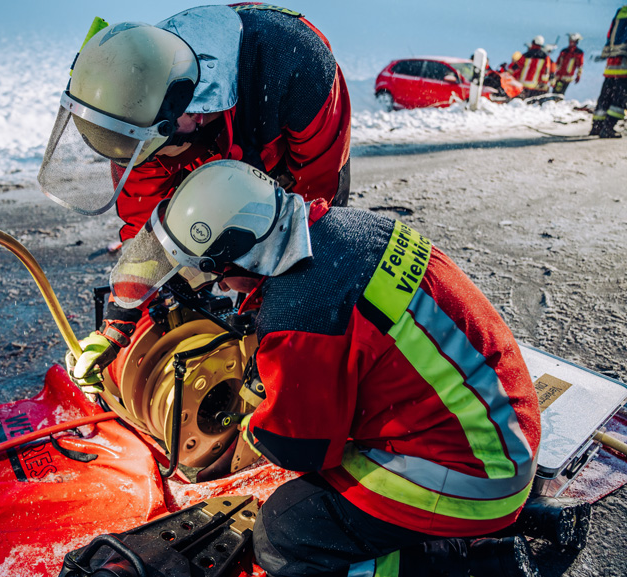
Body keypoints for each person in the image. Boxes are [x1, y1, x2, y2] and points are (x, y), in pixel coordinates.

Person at [70, 159, 544, 576]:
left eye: (211, 270)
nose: (217, 284)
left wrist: (252, 411)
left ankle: (467, 561)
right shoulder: (343, 228)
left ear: (239, 256)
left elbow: (301, 449)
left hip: (477, 473)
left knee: (285, 535)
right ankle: (511, 517)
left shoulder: (303, 316)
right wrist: (117, 327)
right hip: (507, 417)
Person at [38, 3, 352, 245]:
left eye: (155, 152)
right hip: (214, 131)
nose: (151, 162)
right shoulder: (135, 106)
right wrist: (130, 302)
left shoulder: (298, 70)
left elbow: (314, 203)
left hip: (284, 123)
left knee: (309, 250)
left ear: (191, 114)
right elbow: (142, 221)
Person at [591, 5, 627, 138]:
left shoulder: (622, 11)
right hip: (624, 61)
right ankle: (608, 128)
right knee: (619, 96)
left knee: (607, 93)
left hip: (612, 59)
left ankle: (597, 126)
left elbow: (610, 33)